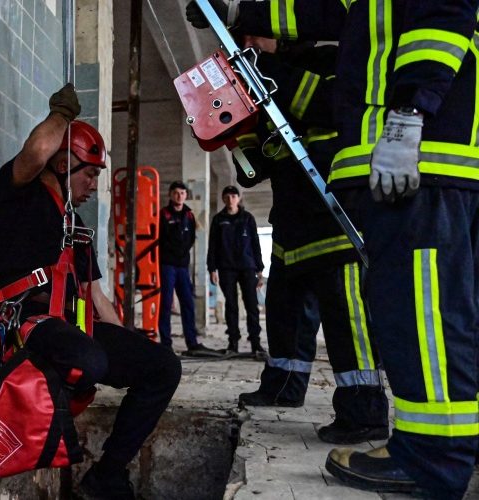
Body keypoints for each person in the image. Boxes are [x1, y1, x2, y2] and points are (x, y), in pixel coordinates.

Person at [193, 0, 479, 497]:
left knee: (422, 314)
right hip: (400, 169)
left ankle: (430, 455)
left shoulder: (320, 63)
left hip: (421, 155)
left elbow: (439, 14)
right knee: (427, 313)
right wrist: (241, 13)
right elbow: (322, 8)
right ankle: (438, 449)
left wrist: (408, 114)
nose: (249, 49)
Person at [0, 84, 182, 500]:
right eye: (89, 173)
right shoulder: (18, 194)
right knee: (88, 360)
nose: (94, 185)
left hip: (70, 333)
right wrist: (62, 114)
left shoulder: (76, 229)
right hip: (25, 327)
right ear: (63, 164)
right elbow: (36, 151)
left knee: (162, 366)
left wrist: (129, 345)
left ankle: (107, 474)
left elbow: (96, 297)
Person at [224, 38, 388, 445]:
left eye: (253, 36)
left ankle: (363, 411)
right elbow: (251, 172)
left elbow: (325, 106)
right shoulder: (261, 87)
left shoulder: (332, 60)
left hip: (336, 221)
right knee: (284, 316)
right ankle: (283, 386)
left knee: (346, 322)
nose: (247, 45)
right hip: (290, 229)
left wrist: (262, 72)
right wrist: (231, 129)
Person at [207, 185, 265, 355]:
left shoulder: (248, 218)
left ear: (239, 199)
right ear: (223, 199)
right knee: (231, 306)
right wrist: (212, 268)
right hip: (226, 268)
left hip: (247, 267)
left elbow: (255, 243)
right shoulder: (218, 220)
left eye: (233, 196)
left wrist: (259, 268)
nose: (230, 199)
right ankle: (233, 342)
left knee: (251, 305)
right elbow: (213, 246)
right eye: (227, 196)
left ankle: (255, 342)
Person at [157, 180, 213, 355]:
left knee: (188, 303)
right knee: (166, 304)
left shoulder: (189, 216)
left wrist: (182, 255)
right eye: (176, 193)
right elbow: (159, 239)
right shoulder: (163, 214)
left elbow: (191, 239)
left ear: (186, 196)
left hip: (182, 266)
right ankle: (166, 343)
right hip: (167, 265)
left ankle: (192, 343)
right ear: (170, 195)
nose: (179, 196)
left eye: (182, 193)